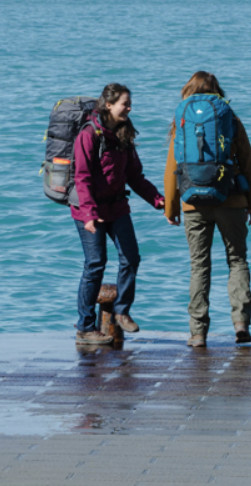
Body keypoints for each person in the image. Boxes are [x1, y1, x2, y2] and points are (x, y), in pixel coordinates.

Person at [163, 72, 251, 348]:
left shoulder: (181, 121)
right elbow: (248, 164)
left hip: (193, 202)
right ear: (217, 90)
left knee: (199, 266)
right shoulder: (229, 117)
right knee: (237, 260)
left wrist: (171, 207)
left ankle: (198, 333)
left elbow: (172, 169)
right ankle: (240, 324)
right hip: (231, 200)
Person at [72, 83, 165, 345]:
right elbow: (82, 177)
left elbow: (134, 176)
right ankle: (85, 328)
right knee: (95, 264)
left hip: (117, 207)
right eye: (125, 103)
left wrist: (159, 201)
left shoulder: (124, 134)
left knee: (131, 258)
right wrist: (89, 214)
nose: (129, 107)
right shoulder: (89, 135)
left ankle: (122, 311)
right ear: (109, 105)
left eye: (129, 102)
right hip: (88, 209)